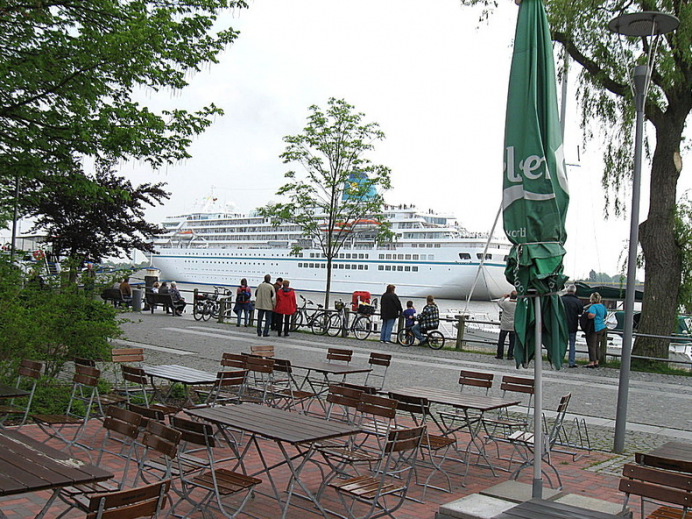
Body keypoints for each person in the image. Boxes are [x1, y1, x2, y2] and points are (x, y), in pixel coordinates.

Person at [562, 284, 584, 368]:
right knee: (572, 344)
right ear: (574, 291)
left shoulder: (561, 299)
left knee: (561, 344)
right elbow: (580, 312)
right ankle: (571, 362)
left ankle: (559, 360)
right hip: (573, 325)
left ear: (567, 290)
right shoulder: (577, 301)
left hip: (562, 325)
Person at [585, 292, 607, 368]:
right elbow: (605, 315)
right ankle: (597, 361)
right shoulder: (602, 306)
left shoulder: (593, 307)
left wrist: (586, 316)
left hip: (594, 327)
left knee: (591, 345)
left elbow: (592, 315)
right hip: (601, 327)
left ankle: (592, 362)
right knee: (597, 345)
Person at [495, 291, 517, 360]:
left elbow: (499, 302)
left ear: (510, 296)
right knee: (512, 342)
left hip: (505, 324)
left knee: (501, 340)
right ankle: (510, 355)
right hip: (513, 325)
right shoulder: (517, 305)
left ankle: (500, 354)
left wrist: (504, 297)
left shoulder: (506, 303)